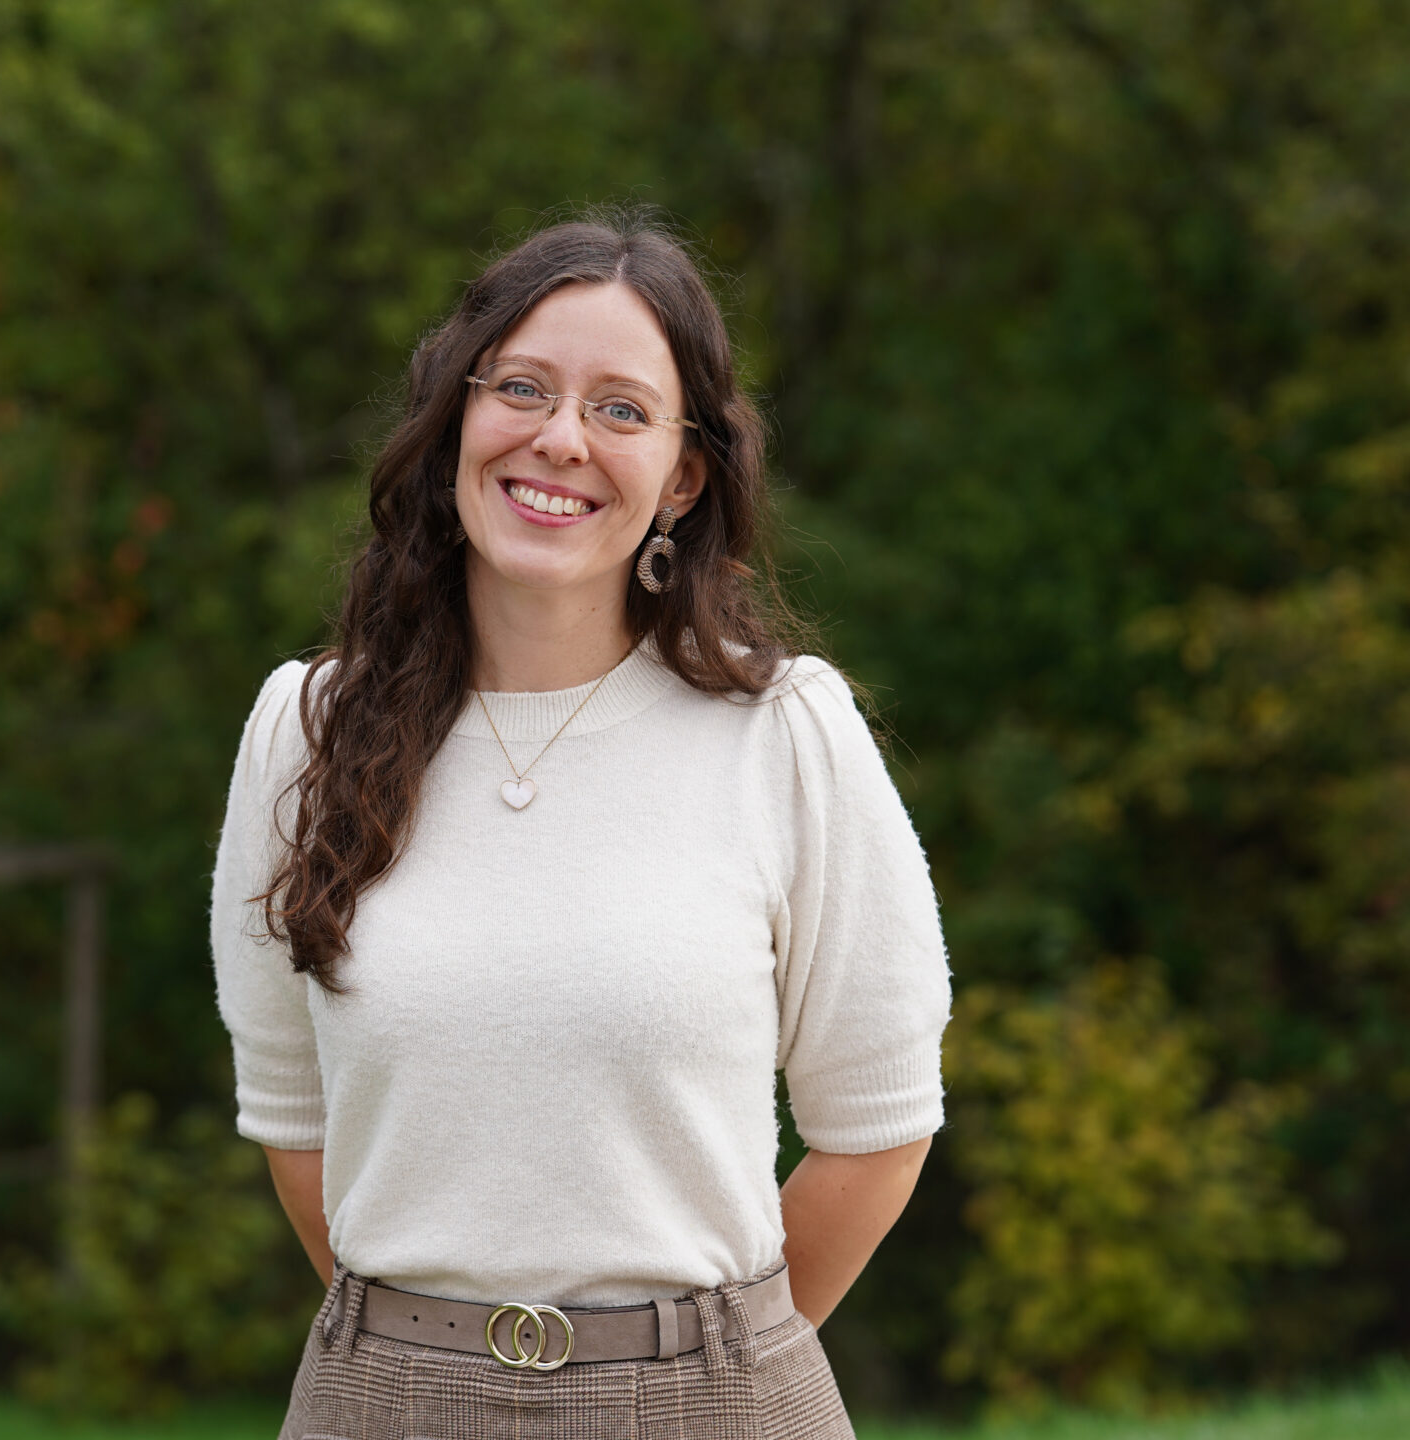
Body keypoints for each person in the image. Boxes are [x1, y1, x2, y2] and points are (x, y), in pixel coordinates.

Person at [211, 211, 952, 1439]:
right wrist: (435, 1362)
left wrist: (700, 1367)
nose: (559, 438)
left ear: (684, 474)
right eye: (521, 389)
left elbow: (877, 1132)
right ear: (456, 415)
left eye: (620, 408)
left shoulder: (785, 733)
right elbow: (297, 1131)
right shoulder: (306, 726)